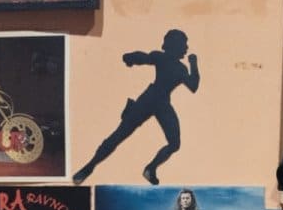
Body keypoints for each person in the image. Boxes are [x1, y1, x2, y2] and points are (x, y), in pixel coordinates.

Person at [73, 29, 200, 186]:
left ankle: (150, 169)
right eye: (184, 44)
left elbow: (193, 86)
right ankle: (88, 167)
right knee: (120, 134)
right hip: (151, 99)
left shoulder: (179, 67)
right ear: (175, 45)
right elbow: (145, 57)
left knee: (173, 143)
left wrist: (193, 64)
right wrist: (131, 57)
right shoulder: (165, 59)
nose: (186, 48)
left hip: (159, 101)